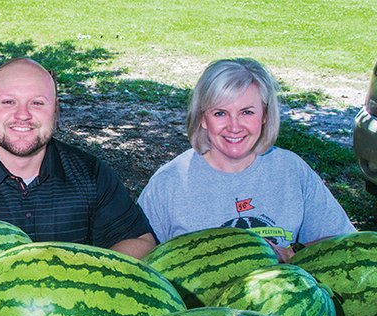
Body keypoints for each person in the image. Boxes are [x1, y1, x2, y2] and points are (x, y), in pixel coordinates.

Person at [0, 58, 155, 259]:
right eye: (8, 102)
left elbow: (141, 242)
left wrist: (77, 277)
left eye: (37, 103)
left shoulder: (91, 175)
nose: (23, 115)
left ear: (55, 110)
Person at [137, 58, 355, 261]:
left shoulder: (291, 171)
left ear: (265, 115)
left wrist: (289, 253)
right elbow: (143, 263)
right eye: (220, 113)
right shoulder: (169, 183)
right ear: (203, 119)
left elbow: (344, 245)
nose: (234, 126)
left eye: (247, 112)